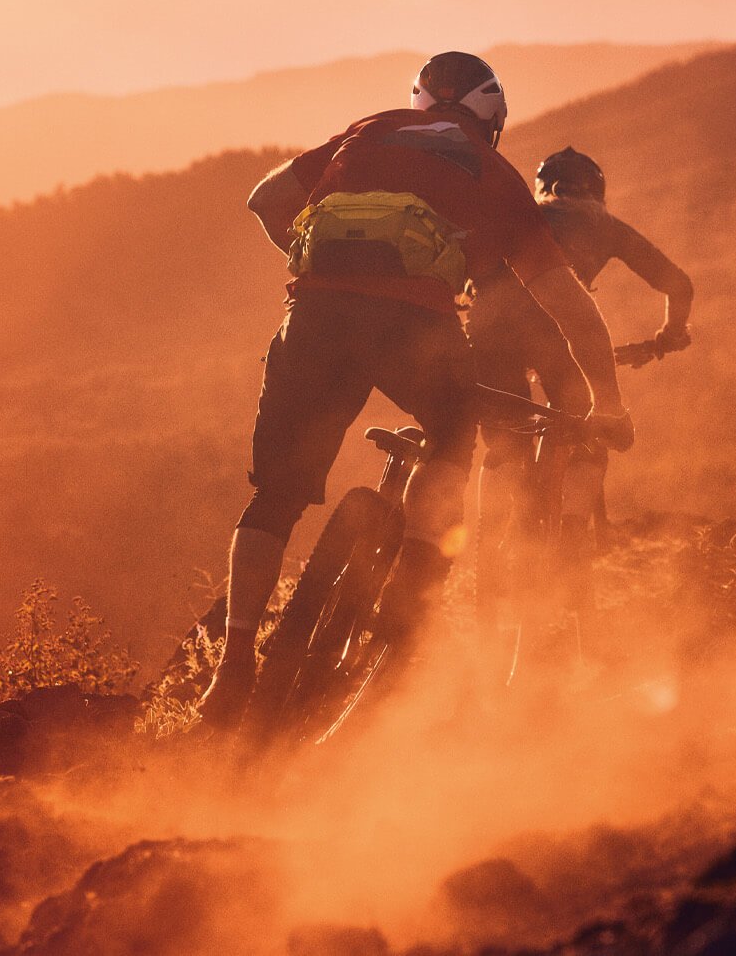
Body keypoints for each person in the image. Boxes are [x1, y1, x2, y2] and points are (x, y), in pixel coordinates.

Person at [199, 52, 633, 728]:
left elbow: (265, 200)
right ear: (489, 120)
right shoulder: (491, 171)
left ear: (422, 102)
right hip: (413, 324)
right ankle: (413, 590)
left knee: (275, 495)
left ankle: (232, 664)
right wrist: (609, 400)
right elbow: (569, 307)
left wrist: (313, 266)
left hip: (312, 315)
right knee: (455, 434)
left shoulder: (367, 130)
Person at [471, 147, 693, 624]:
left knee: (504, 439)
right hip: (563, 332)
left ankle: (486, 558)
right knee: (594, 424)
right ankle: (572, 532)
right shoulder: (605, 224)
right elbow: (679, 284)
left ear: (542, 185)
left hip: (488, 333)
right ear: (597, 192)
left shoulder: (524, 211)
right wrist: (669, 335)